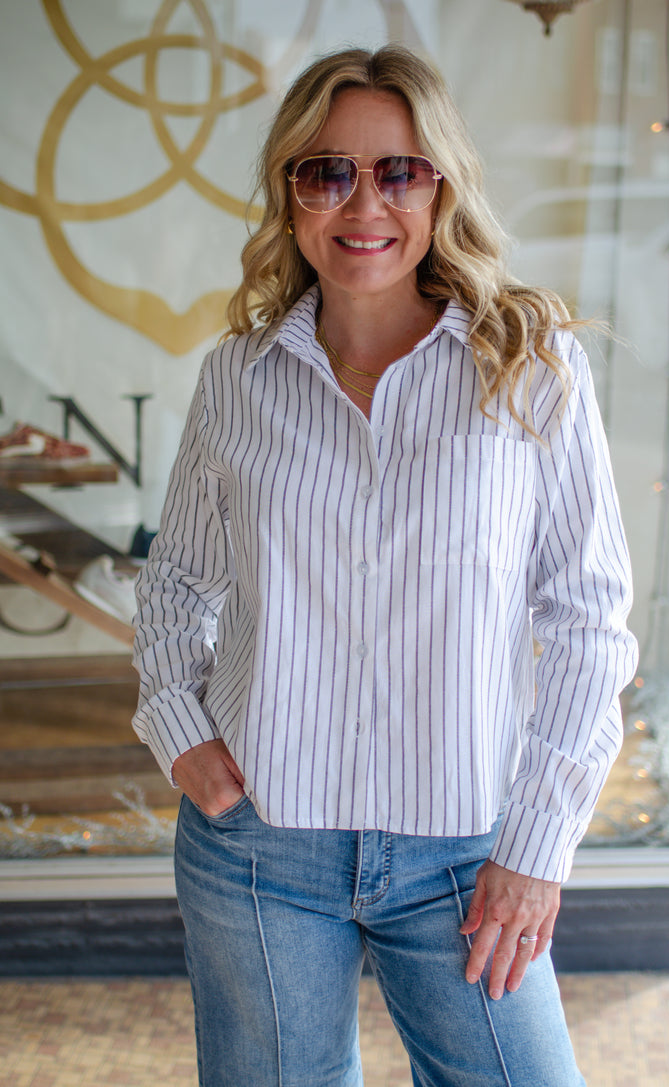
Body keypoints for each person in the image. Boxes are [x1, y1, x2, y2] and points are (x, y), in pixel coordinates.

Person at [132, 44, 638, 1087]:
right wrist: (180, 730)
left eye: (399, 171)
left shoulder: (532, 367)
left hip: (466, 852)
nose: (364, 205)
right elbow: (176, 580)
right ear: (291, 196)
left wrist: (537, 845)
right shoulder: (239, 379)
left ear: (442, 188)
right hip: (261, 851)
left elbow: (590, 621)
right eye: (328, 173)